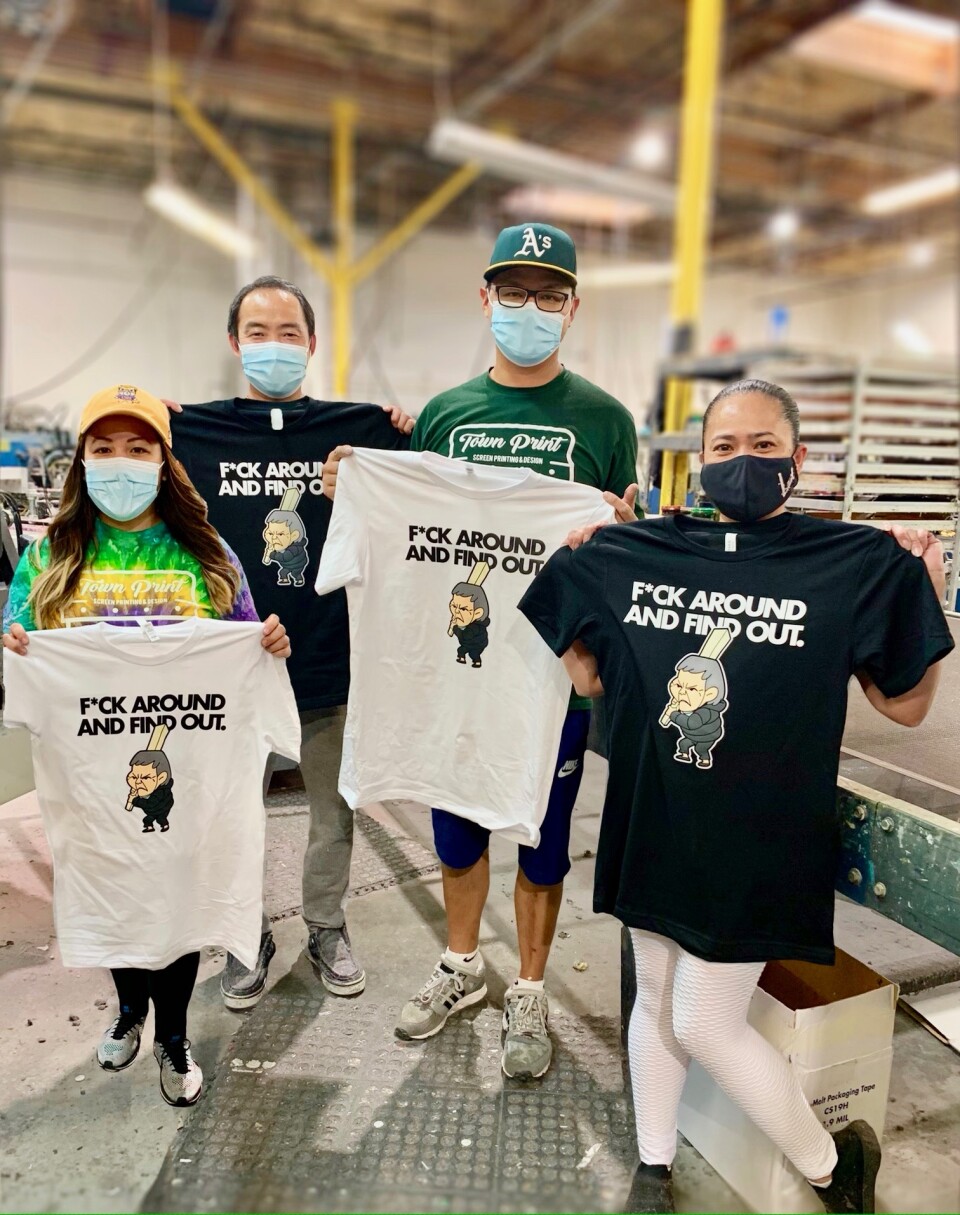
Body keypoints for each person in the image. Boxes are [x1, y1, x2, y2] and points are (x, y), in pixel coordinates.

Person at [518, 378, 953, 1213]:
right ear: (699, 459)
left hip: (761, 837)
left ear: (798, 458)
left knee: (704, 1021)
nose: (742, 461)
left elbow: (907, 705)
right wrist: (588, 558)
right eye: (724, 446)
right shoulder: (634, 551)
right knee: (656, 997)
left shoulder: (847, 563)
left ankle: (833, 1164)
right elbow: (588, 674)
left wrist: (924, 584)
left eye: (763, 446)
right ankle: (653, 1167)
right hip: (655, 818)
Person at [322, 222, 640, 1080]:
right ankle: (462, 964)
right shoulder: (445, 415)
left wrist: (623, 527)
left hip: (549, 672)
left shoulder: (606, 420)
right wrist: (355, 485)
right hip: (456, 668)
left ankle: (529, 986)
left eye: (548, 294)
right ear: (485, 297)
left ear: (572, 307)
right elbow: (412, 523)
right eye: (514, 291)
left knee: (544, 838)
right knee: (457, 825)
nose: (529, 308)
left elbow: (623, 547)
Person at [2, 383, 291, 1107]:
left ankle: (173, 1034)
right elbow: (16, 648)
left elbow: (245, 640)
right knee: (114, 891)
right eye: (104, 447)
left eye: (138, 447)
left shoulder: (208, 552)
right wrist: (15, 648)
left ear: (164, 460)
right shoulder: (49, 556)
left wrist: (267, 644)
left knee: (179, 901)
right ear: (82, 459)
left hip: (185, 774)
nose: (120, 461)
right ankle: (130, 1008)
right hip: (91, 778)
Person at [169, 276, 413, 1009]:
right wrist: (149, 418)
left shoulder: (360, 430)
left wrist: (406, 426)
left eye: (287, 333)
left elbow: (425, 477)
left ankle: (326, 927)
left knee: (332, 814)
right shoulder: (190, 433)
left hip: (327, 656)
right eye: (258, 332)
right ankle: (246, 936)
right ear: (234, 342)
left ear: (310, 343)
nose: (272, 346)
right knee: (229, 818)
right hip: (232, 669)